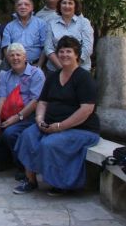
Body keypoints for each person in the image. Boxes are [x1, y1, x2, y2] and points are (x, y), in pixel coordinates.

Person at [13, 36, 100, 195]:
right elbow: (43, 102)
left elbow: (86, 110)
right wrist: (39, 120)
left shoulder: (84, 77)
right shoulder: (53, 77)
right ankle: (30, 180)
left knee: (50, 144)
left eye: (69, 51)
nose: (64, 55)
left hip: (81, 128)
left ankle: (61, 184)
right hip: (50, 124)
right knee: (27, 135)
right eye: (61, 51)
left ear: (76, 55)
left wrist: (61, 126)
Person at [0, 43, 45, 172]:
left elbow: (35, 101)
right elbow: (2, 97)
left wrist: (17, 117)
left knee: (9, 133)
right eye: (12, 55)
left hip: (27, 115)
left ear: (25, 57)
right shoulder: (6, 75)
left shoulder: (36, 74)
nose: (15, 58)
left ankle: (21, 166)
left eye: (18, 55)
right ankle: (2, 158)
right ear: (8, 58)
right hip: (6, 113)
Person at [44, 0, 94, 73]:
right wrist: (62, 69)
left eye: (70, 3)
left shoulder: (84, 23)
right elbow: (48, 48)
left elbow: (87, 48)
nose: (67, 6)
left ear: (75, 6)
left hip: (80, 70)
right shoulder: (51, 23)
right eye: (64, 3)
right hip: (55, 70)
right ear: (59, 6)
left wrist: (73, 68)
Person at [1, 0, 47, 67]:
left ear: (32, 7)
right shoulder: (9, 26)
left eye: (26, 4)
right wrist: (13, 65)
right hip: (14, 65)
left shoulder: (41, 24)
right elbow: (6, 48)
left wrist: (39, 65)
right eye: (19, 5)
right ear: (16, 8)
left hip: (34, 65)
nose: (23, 7)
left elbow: (45, 47)